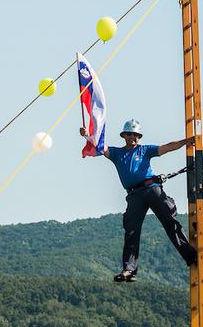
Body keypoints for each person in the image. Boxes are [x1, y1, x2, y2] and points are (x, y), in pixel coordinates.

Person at [81, 119, 196, 281]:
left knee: (169, 220)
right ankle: (129, 269)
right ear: (124, 136)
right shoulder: (117, 154)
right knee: (131, 231)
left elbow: (167, 147)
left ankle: (191, 255)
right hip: (134, 195)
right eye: (130, 134)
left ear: (139, 137)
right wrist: (87, 136)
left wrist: (187, 141)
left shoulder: (145, 150)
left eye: (136, 135)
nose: (133, 138)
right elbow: (100, 147)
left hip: (151, 189)